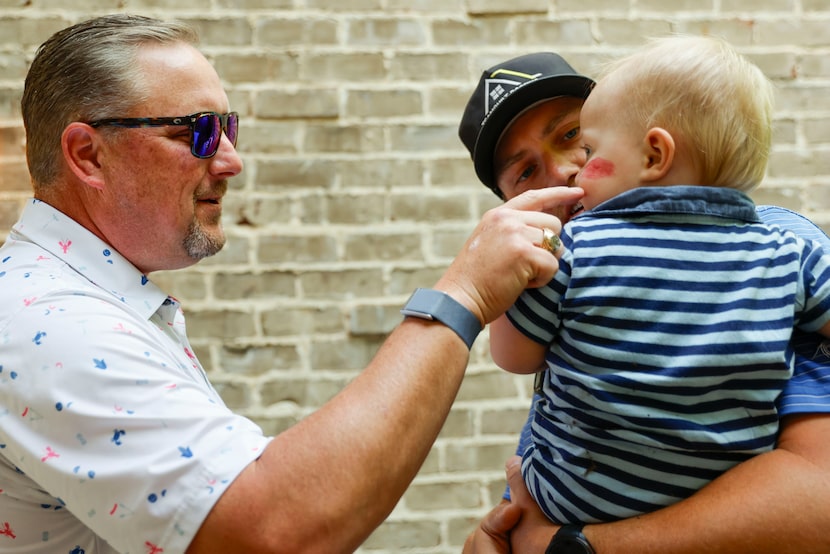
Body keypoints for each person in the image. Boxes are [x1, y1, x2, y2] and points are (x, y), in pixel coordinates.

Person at [0, 14, 584, 553]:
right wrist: (462, 297)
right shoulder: (52, 327)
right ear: (87, 154)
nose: (230, 160)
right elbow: (274, 529)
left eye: (228, 127)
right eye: (198, 132)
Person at [459, 46, 830, 553]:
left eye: (576, 139)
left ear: (652, 148)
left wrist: (563, 546)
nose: (566, 172)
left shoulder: (783, 239)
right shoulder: (791, 259)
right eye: (525, 173)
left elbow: (817, 494)